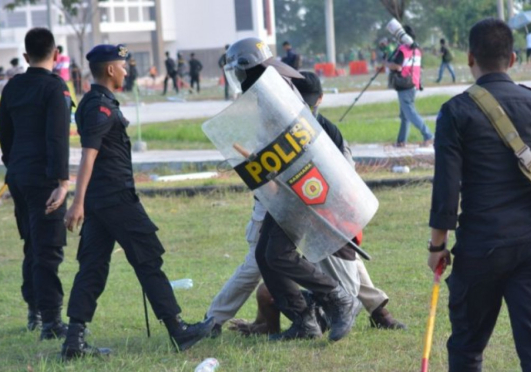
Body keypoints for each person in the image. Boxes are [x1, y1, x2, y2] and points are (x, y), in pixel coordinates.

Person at [215, 72, 407, 337]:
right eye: (300, 103)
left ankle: (360, 310)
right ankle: (302, 321)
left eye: (309, 103)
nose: (305, 108)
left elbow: (344, 179)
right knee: (267, 269)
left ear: (318, 99)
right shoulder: (277, 129)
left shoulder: (327, 131)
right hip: (298, 211)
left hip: (328, 214)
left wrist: (377, 310)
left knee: (303, 260)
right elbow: (272, 188)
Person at [60, 44, 214, 360]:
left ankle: (74, 341)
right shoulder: (100, 107)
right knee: (148, 260)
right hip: (116, 199)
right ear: (111, 70)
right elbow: (88, 156)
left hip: (103, 201)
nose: (127, 70)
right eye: (123, 65)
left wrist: (85, 201)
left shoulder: (92, 102)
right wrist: (77, 203)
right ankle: (178, 330)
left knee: (92, 267)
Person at [428, 18, 531, 372]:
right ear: (513, 59)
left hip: (480, 246)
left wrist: (437, 246)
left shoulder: (455, 112)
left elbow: (446, 188)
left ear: (470, 57)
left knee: (468, 349)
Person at [0, 27, 72, 340]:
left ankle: (35, 309)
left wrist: (12, 164)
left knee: (32, 243)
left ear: (26, 56)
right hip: (44, 179)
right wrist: (62, 181)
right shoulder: (56, 88)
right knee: (48, 249)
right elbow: (58, 137)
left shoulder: (12, 87)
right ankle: (51, 321)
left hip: (19, 175)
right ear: (56, 55)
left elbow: (5, 133)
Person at [387, 25, 433, 147]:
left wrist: (387, 64)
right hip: (414, 83)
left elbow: (397, 66)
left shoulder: (403, 50)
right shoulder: (416, 50)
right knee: (405, 115)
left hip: (404, 85)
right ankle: (401, 141)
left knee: (410, 113)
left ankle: (428, 135)